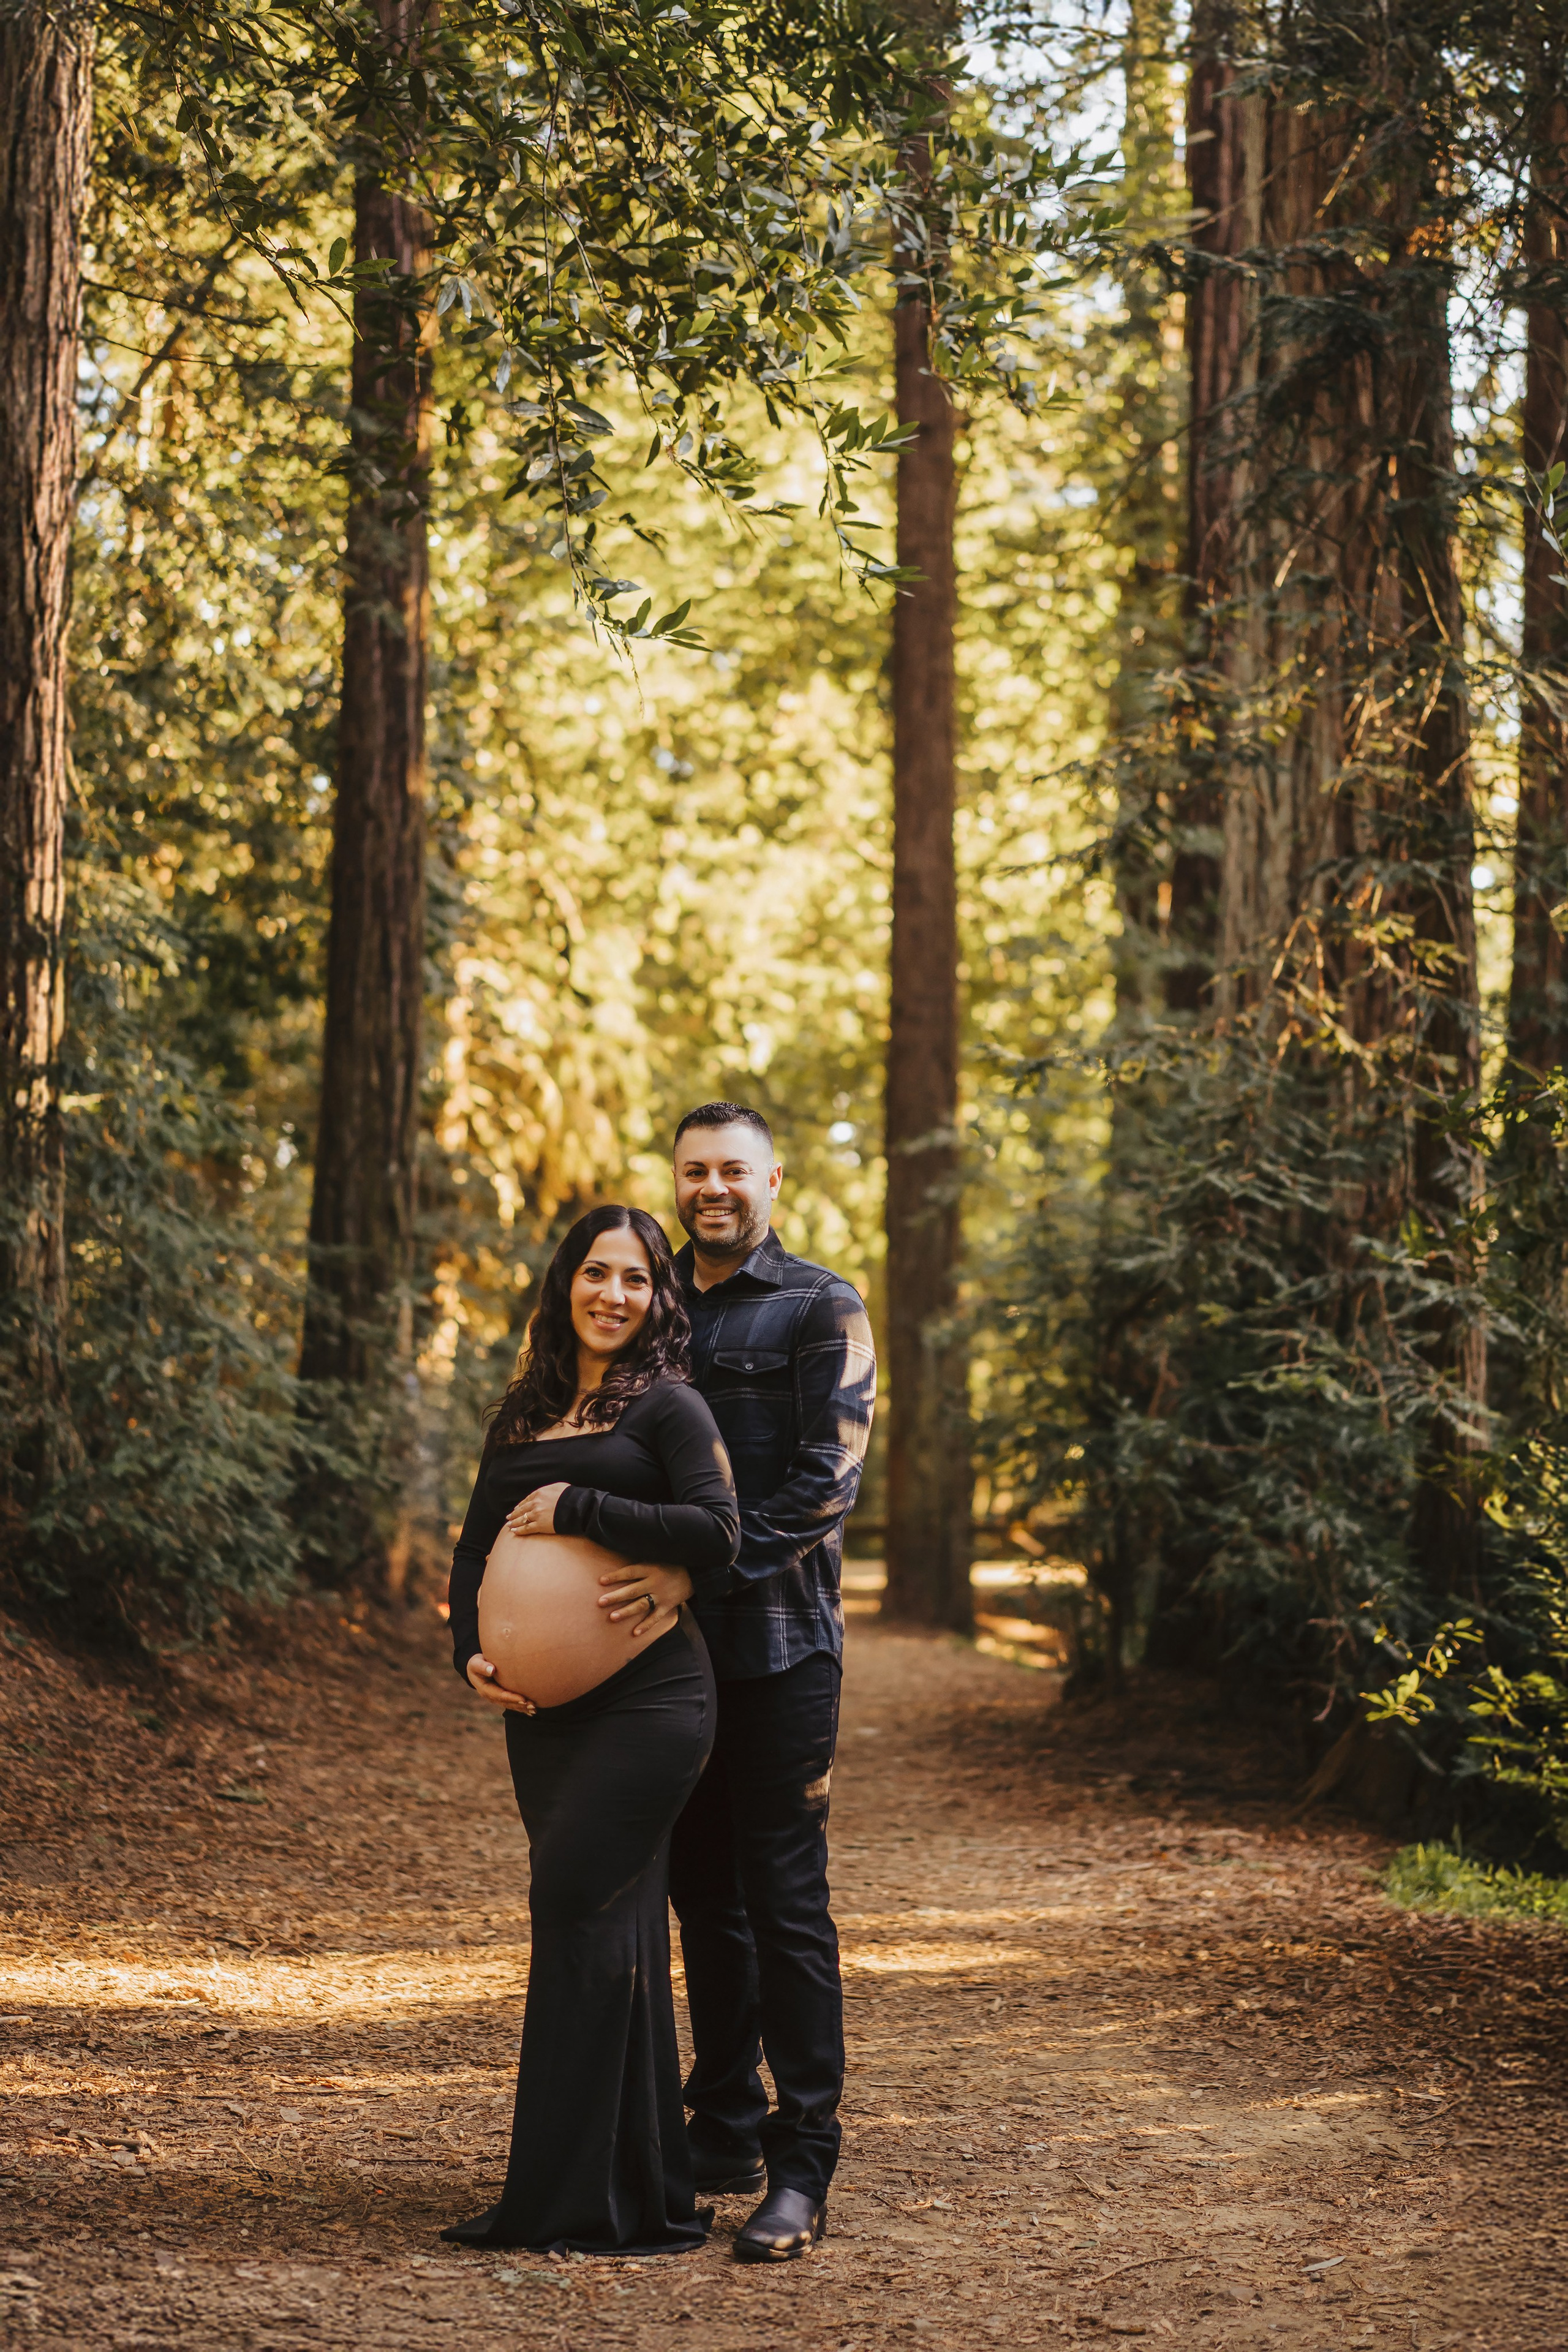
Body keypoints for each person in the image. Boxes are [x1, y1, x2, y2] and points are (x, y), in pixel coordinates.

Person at [441, 1204, 739, 2255]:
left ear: (660, 1297)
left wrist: (582, 1510)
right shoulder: (519, 1414)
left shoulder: (669, 1408)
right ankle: (638, 2191)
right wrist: (470, 1653)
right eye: (595, 1273)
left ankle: (566, 2199)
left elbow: (717, 1530)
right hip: (543, 1719)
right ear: (565, 1281)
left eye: (637, 1280)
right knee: (604, 1928)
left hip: (652, 1701)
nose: (613, 1295)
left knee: (570, 1899)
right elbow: (474, 1556)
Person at [653, 1102, 876, 2263]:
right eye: (695, 1171)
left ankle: (804, 2167)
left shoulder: (820, 1305)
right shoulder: (648, 1300)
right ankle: (723, 2126)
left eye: (732, 1170)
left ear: (771, 1179)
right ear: (676, 1180)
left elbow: (825, 1482)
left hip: (784, 1649)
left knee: (786, 1908)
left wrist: (690, 1576)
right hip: (655, 1667)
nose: (713, 1189)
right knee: (702, 1901)